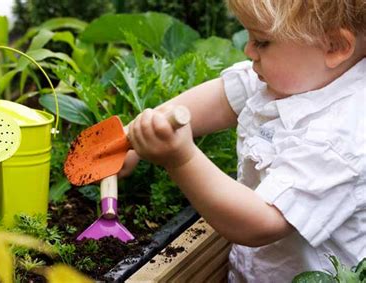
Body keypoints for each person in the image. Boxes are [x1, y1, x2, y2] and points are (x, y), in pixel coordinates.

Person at [120, 0, 366, 281]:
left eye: (262, 42)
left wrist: (181, 159)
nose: (248, 50)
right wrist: (133, 136)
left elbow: (261, 223)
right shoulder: (298, 74)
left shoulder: (341, 137)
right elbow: (222, 97)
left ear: (335, 46)